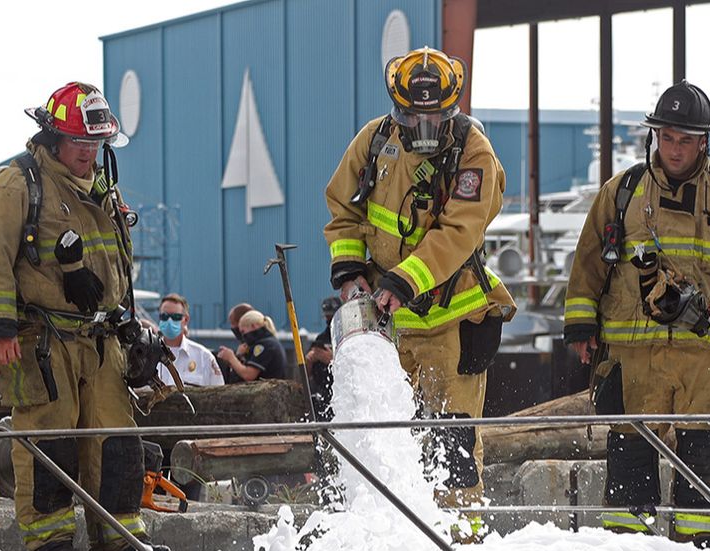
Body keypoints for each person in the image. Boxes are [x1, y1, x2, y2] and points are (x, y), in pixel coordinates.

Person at [564, 80, 710, 545]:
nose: (675, 149)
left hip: (706, 359)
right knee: (629, 473)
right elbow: (587, 263)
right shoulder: (622, 193)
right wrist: (581, 326)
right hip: (633, 359)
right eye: (667, 137)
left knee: (704, 473)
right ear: (654, 137)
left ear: (704, 141)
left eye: (685, 140)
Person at [0, 81, 171, 551]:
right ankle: (50, 539)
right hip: (42, 338)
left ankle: (120, 536)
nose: (89, 154)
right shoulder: (17, 183)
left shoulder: (102, 190)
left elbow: (117, 263)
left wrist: (129, 321)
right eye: (81, 144)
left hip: (102, 339)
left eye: (97, 145)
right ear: (54, 137)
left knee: (115, 439)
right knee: (49, 436)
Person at [324, 46, 515, 514]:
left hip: (452, 320)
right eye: (412, 119)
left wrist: (403, 282)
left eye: (435, 118)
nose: (424, 129)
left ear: (452, 107)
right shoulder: (373, 141)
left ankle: (459, 532)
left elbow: (459, 232)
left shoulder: (474, 152)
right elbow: (343, 209)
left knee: (453, 440)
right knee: (387, 434)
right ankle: (389, 525)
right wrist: (350, 273)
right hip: (386, 323)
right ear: (398, 108)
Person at [155, 293, 223, 387]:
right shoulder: (148, 355)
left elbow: (218, 394)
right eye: (164, 317)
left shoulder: (203, 356)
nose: (169, 321)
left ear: (186, 319)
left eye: (176, 317)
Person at [218, 309, 287, 382]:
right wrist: (239, 356)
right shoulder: (270, 342)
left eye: (243, 331)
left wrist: (231, 357)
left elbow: (249, 375)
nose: (243, 336)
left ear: (253, 326)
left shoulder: (264, 346)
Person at [305, 295, 340, 420]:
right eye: (327, 317)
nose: (329, 320)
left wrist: (332, 360)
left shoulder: (347, 337)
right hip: (322, 393)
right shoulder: (321, 338)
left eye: (332, 317)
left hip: (341, 394)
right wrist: (310, 359)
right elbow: (305, 375)